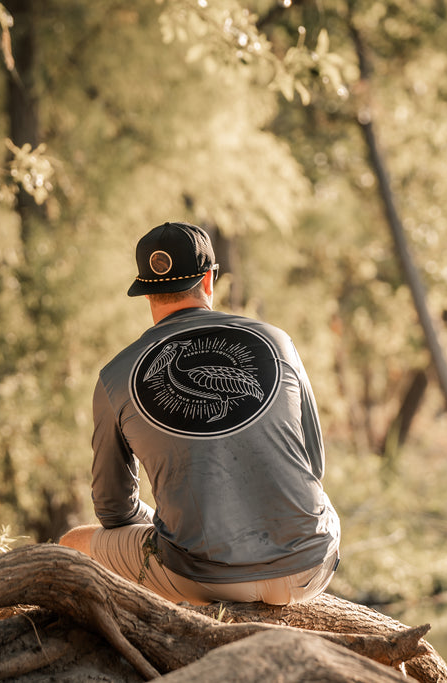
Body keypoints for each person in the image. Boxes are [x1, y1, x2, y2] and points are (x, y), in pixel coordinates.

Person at [59, 221, 339, 605]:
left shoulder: (115, 376)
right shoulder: (277, 341)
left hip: (203, 581)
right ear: (209, 279)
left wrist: (179, 518)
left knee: (73, 542)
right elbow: (313, 465)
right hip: (310, 567)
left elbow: (114, 511)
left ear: (145, 293)